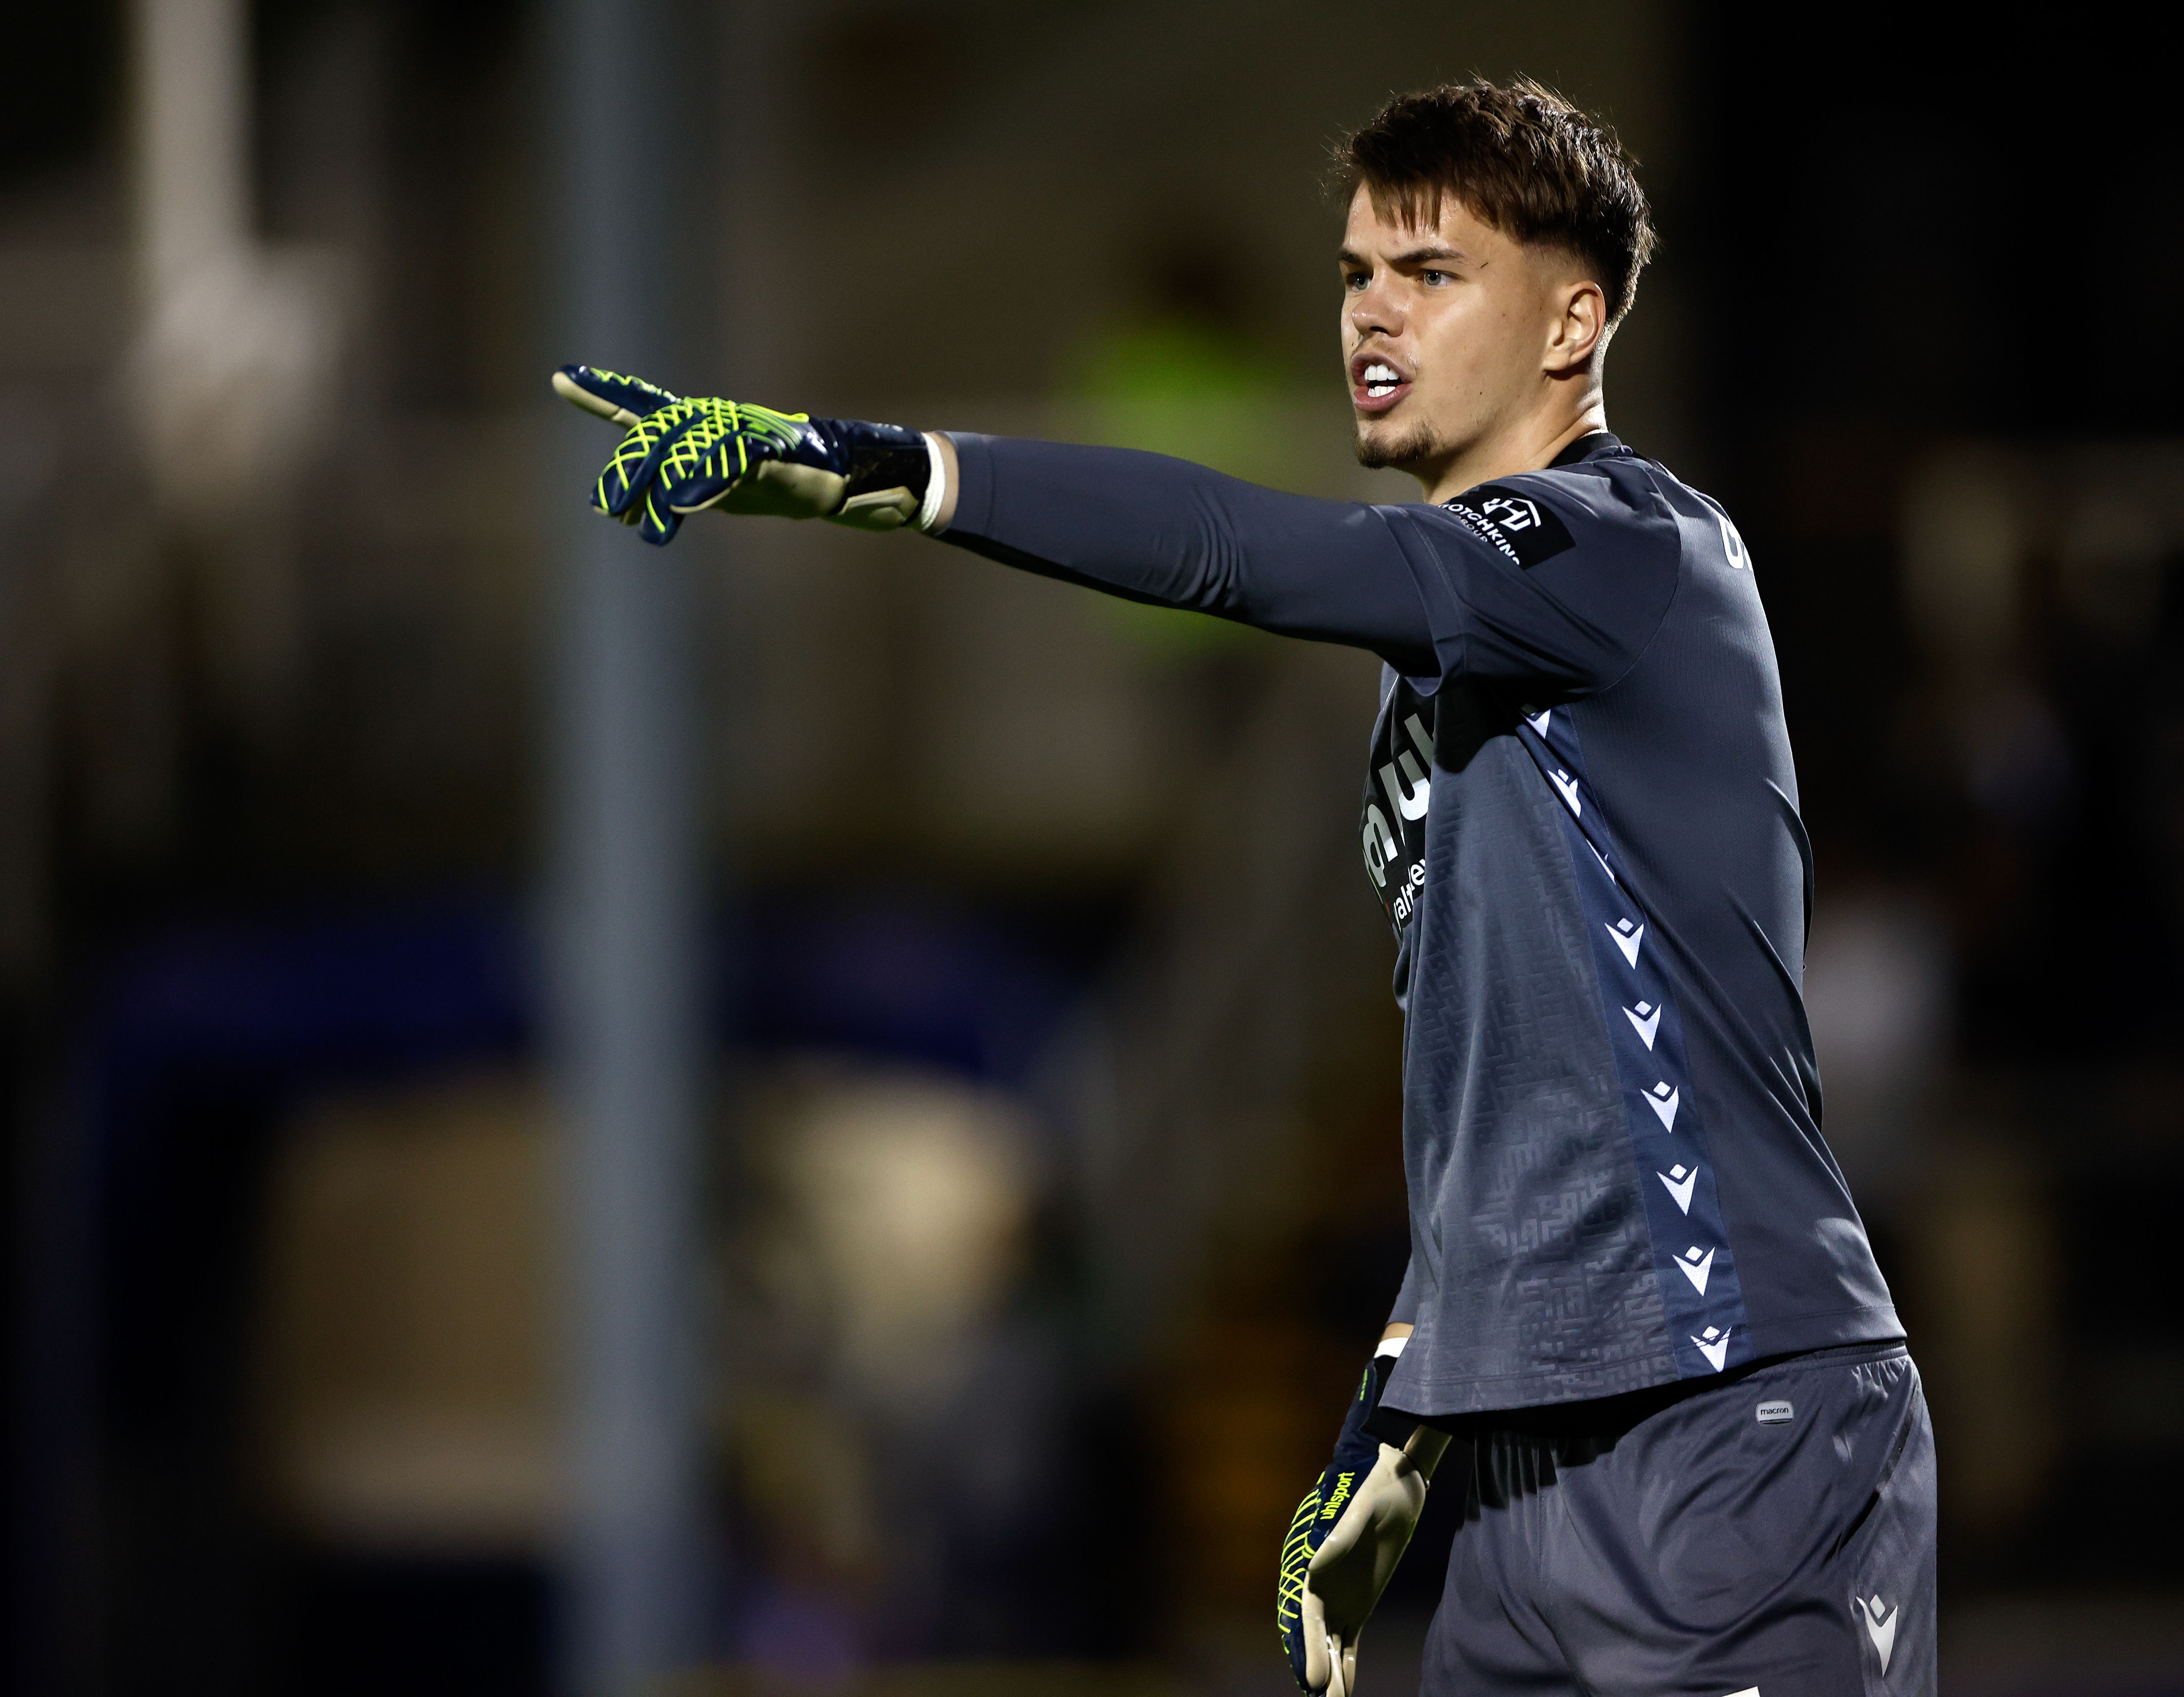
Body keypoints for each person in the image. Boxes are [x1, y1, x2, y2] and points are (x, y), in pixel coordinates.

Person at [557, 76, 1934, 1697]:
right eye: (1357, 273)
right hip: (1520, 1484)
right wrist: (1399, 1423)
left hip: (1736, 1419)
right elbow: (1497, 1082)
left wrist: (882, 471)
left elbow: (1241, 546)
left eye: (1432, 275)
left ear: (1572, 325)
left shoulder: (1634, 553)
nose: (1373, 312)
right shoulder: (1439, 666)